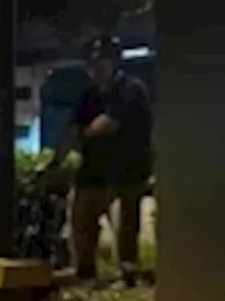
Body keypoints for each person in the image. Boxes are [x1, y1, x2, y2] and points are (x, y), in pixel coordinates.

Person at [46, 34, 155, 285]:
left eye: (101, 64)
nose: (95, 70)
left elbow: (106, 124)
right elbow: (72, 130)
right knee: (80, 218)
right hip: (94, 173)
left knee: (124, 227)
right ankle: (85, 272)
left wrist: (85, 133)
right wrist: (56, 162)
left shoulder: (130, 90)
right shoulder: (90, 95)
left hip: (126, 173)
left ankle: (127, 274)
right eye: (92, 65)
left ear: (114, 63)